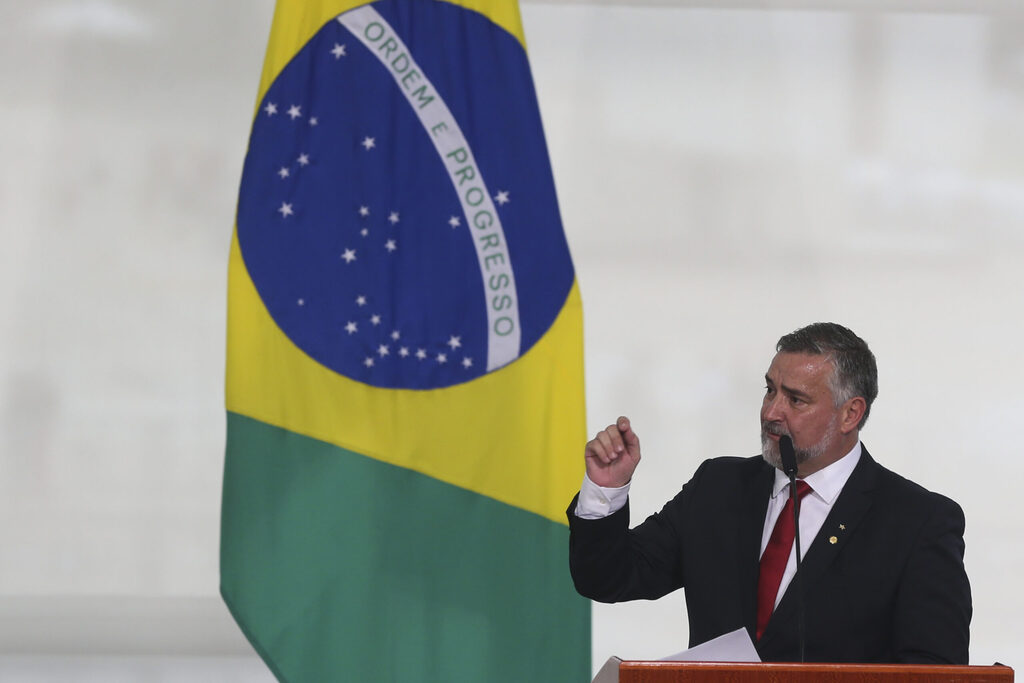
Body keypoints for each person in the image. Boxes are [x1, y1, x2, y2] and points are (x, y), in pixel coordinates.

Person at [567, 322, 971, 663]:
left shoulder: (918, 523)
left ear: (851, 413)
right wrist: (606, 490)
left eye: (796, 399)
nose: (771, 412)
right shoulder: (718, 488)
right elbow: (608, 578)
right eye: (770, 390)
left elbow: (935, 670)